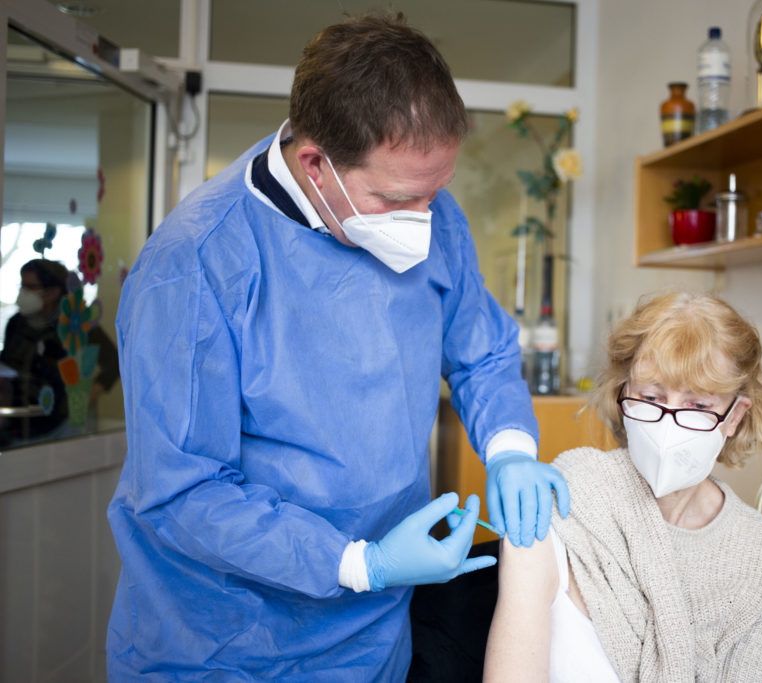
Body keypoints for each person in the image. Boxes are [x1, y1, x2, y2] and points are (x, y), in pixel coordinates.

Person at [106, 12, 569, 681]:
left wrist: (511, 451)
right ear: (317, 163)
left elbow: (482, 350)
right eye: (398, 198)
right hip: (225, 643)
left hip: (372, 639)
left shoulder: (432, 212)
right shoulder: (197, 266)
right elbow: (184, 493)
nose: (425, 221)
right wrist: (358, 562)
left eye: (435, 194)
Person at [483, 291, 762, 682]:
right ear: (623, 395)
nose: (668, 424)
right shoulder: (560, 501)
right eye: (651, 397)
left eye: (698, 405)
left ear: (734, 416)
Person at [0, 258, 118, 444]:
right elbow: (8, 367)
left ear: (53, 292)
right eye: (22, 286)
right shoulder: (17, 323)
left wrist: (87, 396)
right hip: (22, 428)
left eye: (30, 287)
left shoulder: (76, 324)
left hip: (63, 428)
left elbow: (114, 362)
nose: (23, 293)